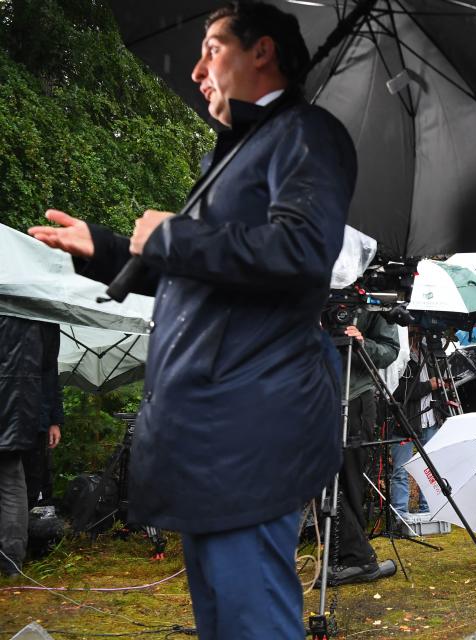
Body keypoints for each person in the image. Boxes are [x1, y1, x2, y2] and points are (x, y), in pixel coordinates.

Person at [29, 3, 355, 637]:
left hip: (250, 429)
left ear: (261, 52)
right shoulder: (234, 155)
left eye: (213, 48)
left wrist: (175, 237)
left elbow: (302, 252)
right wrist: (110, 248)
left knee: (250, 618)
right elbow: (204, 271)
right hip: (210, 431)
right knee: (221, 621)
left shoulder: (304, 135)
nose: (198, 68)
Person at [329, 310, 400, 585]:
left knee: (348, 481)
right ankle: (348, 555)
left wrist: (362, 342)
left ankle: (357, 559)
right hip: (314, 394)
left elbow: (389, 351)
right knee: (322, 480)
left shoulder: (370, 300)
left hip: (354, 398)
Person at [0, 317, 61, 577]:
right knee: (13, 486)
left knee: (15, 485)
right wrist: (53, 420)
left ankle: (12, 561)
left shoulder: (42, 313)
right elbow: (49, 371)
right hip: (21, 417)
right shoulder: (40, 306)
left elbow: (48, 370)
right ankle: (12, 563)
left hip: (25, 416)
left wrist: (53, 420)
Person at [390, 327, 441, 520]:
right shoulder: (400, 356)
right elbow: (398, 390)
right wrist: (429, 385)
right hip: (406, 421)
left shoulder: (429, 353)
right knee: (401, 470)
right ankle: (400, 514)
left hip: (430, 420)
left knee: (429, 470)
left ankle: (427, 510)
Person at [23, 321, 64, 510]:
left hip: (36, 419)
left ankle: (20, 534)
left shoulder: (47, 322)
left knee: (32, 484)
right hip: (8, 415)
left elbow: (51, 375)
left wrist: (55, 421)